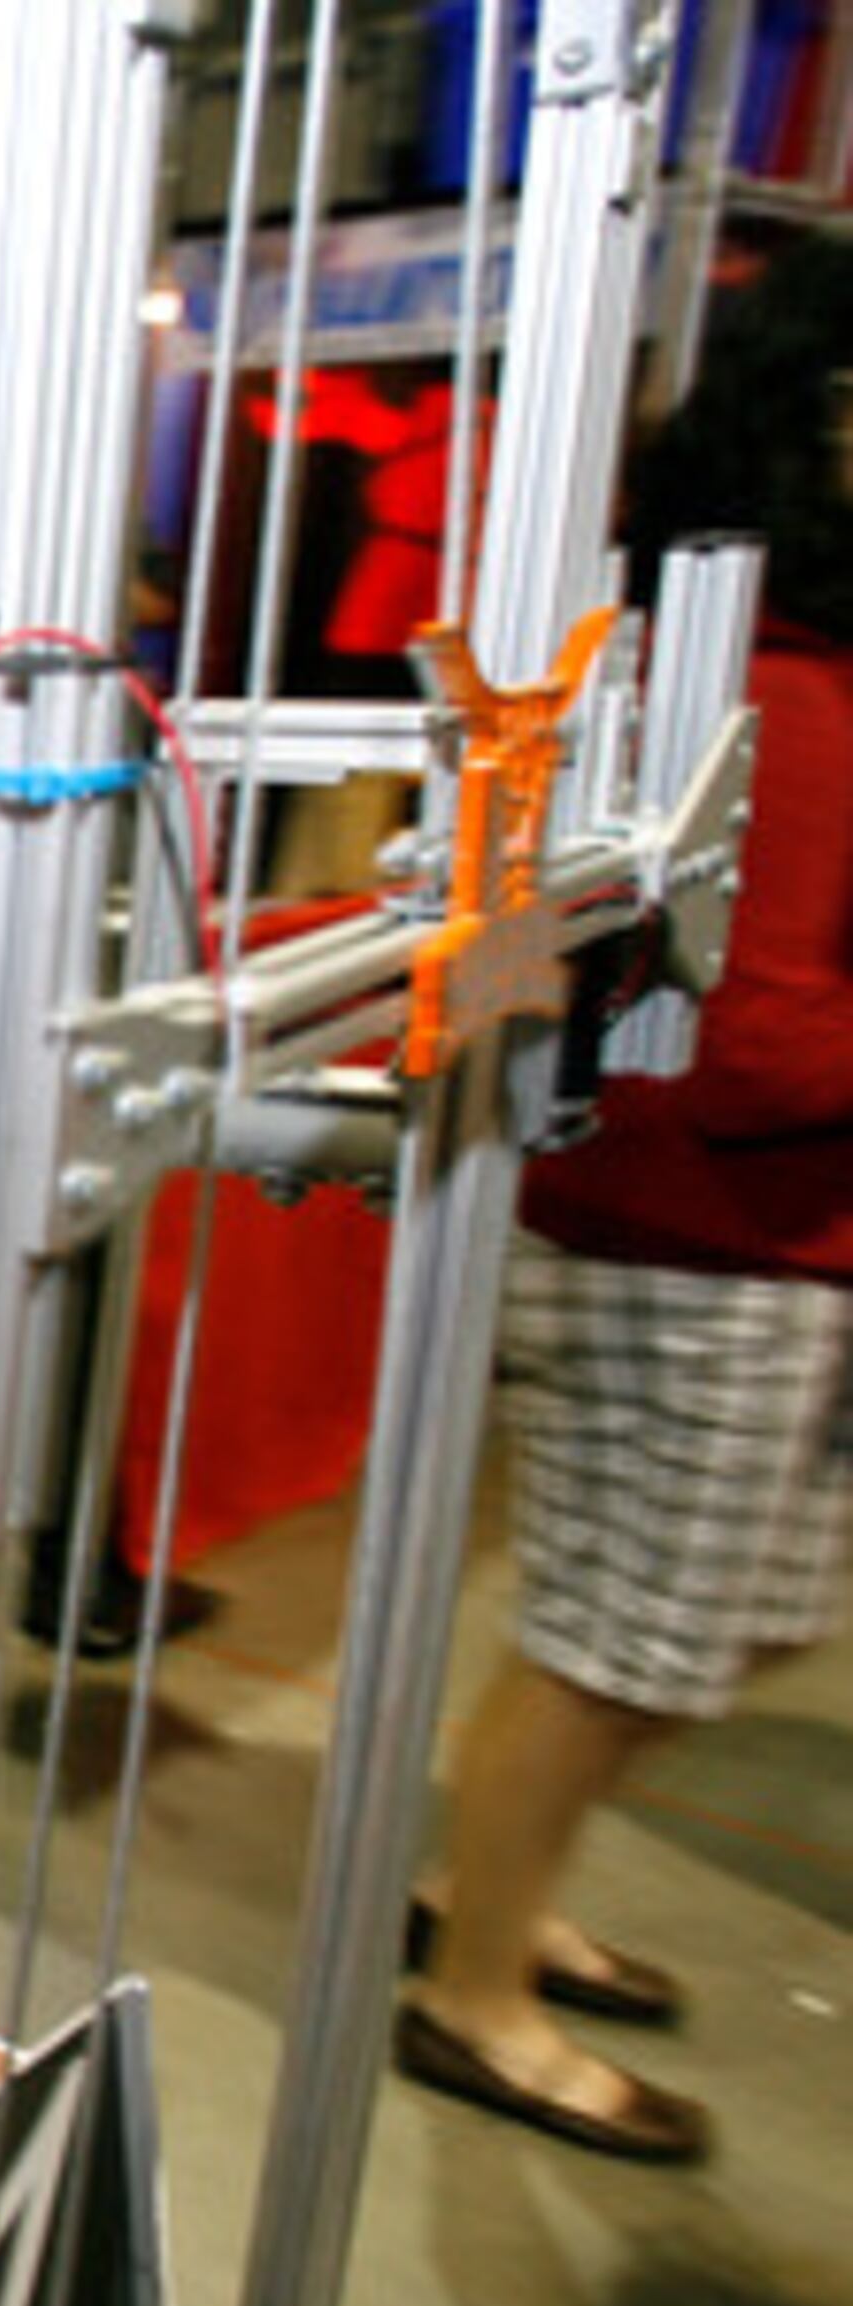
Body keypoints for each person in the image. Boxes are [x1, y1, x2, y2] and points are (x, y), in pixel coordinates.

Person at [394, 227, 853, 2166]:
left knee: (694, 1626)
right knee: (621, 1640)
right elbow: (735, 1032)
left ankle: (499, 1889)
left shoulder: (762, 654)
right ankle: (473, 1977)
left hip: (748, 1238)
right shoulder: (762, 674)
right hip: (692, 1236)